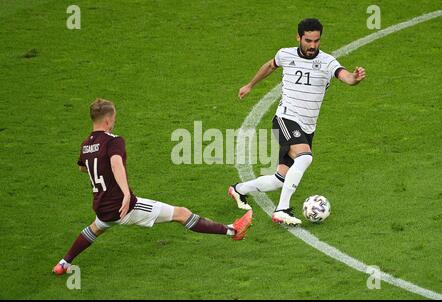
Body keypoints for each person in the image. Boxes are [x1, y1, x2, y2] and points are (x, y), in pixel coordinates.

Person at [53, 98, 252, 275]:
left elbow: (83, 168)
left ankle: (63, 263)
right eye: (113, 119)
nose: (114, 123)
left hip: (102, 205)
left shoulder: (86, 145)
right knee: (181, 214)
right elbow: (115, 164)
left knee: (95, 228)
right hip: (123, 207)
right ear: (107, 120)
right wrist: (125, 194)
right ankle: (234, 231)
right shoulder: (114, 141)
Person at [228, 18, 365, 225]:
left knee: (279, 178)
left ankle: (238, 190)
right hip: (286, 118)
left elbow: (343, 75)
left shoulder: (327, 62)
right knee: (305, 157)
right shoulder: (286, 54)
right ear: (298, 37)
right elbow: (269, 66)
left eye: (316, 41)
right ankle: (282, 209)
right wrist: (250, 85)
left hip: (307, 127)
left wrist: (354, 78)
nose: (312, 45)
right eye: (308, 40)